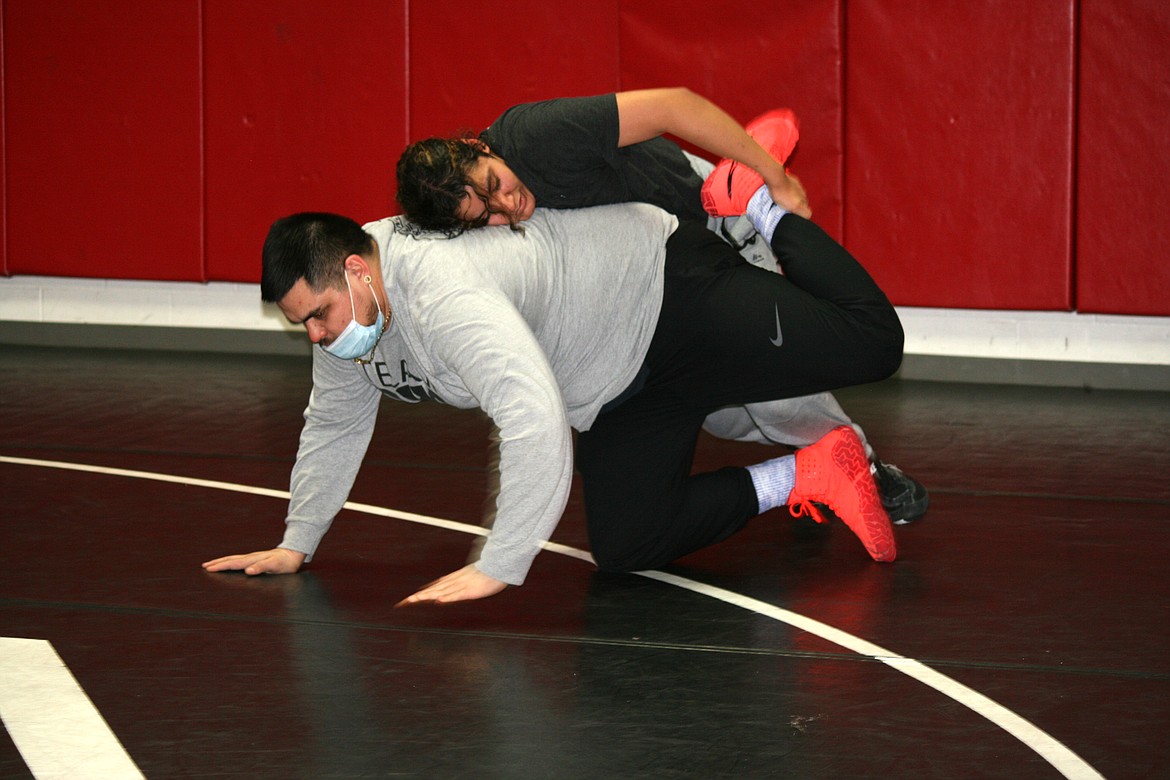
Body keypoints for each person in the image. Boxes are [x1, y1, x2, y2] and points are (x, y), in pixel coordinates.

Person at [203, 192, 904, 605]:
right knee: (631, 545)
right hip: (616, 381)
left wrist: (498, 564)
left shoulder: (443, 294)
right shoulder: (346, 321)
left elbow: (529, 414)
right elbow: (332, 422)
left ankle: (756, 211)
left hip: (669, 291)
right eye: (303, 327)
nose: (319, 336)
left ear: (356, 269)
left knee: (868, 347)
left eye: (320, 314)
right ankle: (809, 473)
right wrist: (296, 543)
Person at [394, 88, 928, 525]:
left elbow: (673, 105)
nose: (507, 205)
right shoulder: (480, 220)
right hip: (668, 278)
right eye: (483, 213)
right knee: (725, 414)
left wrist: (772, 174)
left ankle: (869, 469)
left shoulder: (537, 138)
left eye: (494, 185)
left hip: (710, 215)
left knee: (777, 395)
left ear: (478, 146)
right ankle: (814, 467)